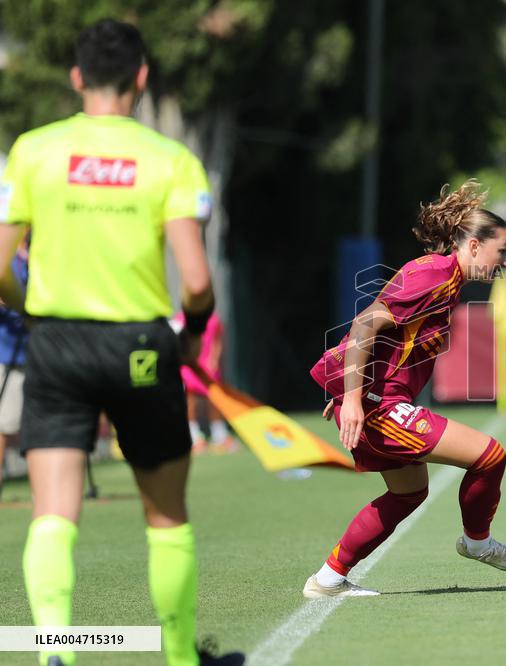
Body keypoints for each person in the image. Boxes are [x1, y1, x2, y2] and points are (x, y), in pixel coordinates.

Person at [0, 19, 241, 666]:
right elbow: (195, 280)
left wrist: (31, 312)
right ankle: (182, 657)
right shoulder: (170, 160)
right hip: (139, 347)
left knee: (53, 512)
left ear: (77, 78)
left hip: (57, 342)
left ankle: (56, 652)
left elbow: (0, 268)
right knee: (165, 517)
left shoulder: (32, 151)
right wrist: (191, 335)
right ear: (141, 78)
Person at [305, 180, 506, 597]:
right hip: (380, 406)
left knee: (407, 494)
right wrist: (350, 398)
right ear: (474, 246)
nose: (505, 263)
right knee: (490, 456)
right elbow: (367, 323)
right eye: (502, 251)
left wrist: (345, 387)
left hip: (374, 399)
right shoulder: (435, 274)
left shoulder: (448, 279)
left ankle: (328, 579)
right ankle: (478, 542)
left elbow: (381, 334)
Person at [176, 312, 236, 454]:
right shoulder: (180, 319)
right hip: (189, 367)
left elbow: (217, 340)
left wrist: (214, 359)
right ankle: (194, 438)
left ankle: (219, 436)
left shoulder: (213, 318)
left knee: (215, 400)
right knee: (191, 400)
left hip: (208, 367)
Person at [0, 239, 29, 501]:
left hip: (33, 353)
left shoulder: (31, 257)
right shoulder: (6, 257)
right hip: (6, 355)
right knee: (3, 425)